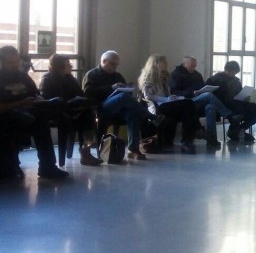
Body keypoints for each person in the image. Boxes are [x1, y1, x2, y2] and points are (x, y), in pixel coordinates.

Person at [0, 46, 69, 178]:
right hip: (6, 115)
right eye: (11, 63)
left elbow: (35, 93)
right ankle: (11, 164)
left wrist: (39, 100)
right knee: (26, 119)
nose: (15, 66)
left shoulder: (22, 76)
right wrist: (20, 103)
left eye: (17, 62)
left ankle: (47, 166)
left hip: (26, 112)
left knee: (41, 118)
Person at [82, 50, 150, 160]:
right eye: (113, 64)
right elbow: (87, 92)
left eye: (116, 65)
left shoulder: (117, 75)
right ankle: (149, 115)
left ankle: (133, 150)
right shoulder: (92, 74)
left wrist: (127, 87)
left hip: (120, 108)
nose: (115, 67)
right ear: (104, 61)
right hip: (102, 106)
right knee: (122, 97)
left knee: (132, 113)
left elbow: (125, 93)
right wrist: (111, 87)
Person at [40, 54, 103, 166]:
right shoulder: (47, 79)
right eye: (68, 64)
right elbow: (48, 100)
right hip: (58, 113)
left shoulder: (70, 78)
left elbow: (80, 94)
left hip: (74, 110)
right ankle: (86, 148)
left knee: (88, 113)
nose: (71, 66)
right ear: (60, 67)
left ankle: (86, 149)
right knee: (81, 118)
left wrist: (81, 101)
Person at [168, 56, 242, 148]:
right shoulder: (176, 74)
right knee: (208, 95)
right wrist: (191, 93)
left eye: (195, 66)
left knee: (210, 107)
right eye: (192, 66)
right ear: (184, 64)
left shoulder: (197, 75)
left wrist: (201, 90)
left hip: (198, 99)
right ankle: (230, 117)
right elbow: (174, 91)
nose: (194, 68)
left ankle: (212, 138)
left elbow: (202, 87)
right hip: (186, 101)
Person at [138, 54, 197, 154]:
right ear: (156, 64)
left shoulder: (164, 76)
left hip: (166, 103)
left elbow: (168, 94)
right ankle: (188, 140)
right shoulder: (147, 77)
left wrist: (173, 98)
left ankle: (188, 140)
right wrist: (166, 99)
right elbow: (148, 96)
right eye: (164, 63)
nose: (166, 64)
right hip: (157, 105)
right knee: (188, 104)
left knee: (188, 106)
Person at [206, 61, 256, 141]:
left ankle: (239, 129)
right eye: (232, 72)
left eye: (235, 73)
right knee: (244, 111)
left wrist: (245, 97)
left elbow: (239, 93)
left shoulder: (236, 80)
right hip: (225, 105)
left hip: (238, 103)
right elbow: (212, 94)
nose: (234, 75)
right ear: (226, 70)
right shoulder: (214, 80)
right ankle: (235, 130)